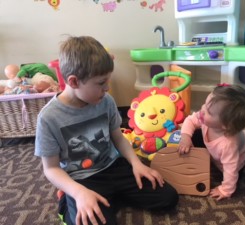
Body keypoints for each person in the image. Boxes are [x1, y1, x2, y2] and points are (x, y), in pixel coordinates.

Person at [34, 36, 178, 225]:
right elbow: (51, 168)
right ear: (74, 82)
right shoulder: (48, 118)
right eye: (101, 83)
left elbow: (117, 137)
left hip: (113, 166)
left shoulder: (106, 101)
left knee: (168, 198)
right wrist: (79, 192)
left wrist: (136, 164)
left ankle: (110, 198)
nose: (107, 88)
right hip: (81, 179)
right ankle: (67, 203)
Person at [178, 84, 245, 201]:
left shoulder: (228, 145)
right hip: (213, 147)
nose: (202, 109)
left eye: (208, 111)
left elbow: (230, 170)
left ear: (225, 125)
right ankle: (200, 154)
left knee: (232, 174)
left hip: (232, 160)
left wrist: (225, 190)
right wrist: (185, 137)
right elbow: (190, 120)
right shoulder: (205, 118)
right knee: (190, 133)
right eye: (205, 103)